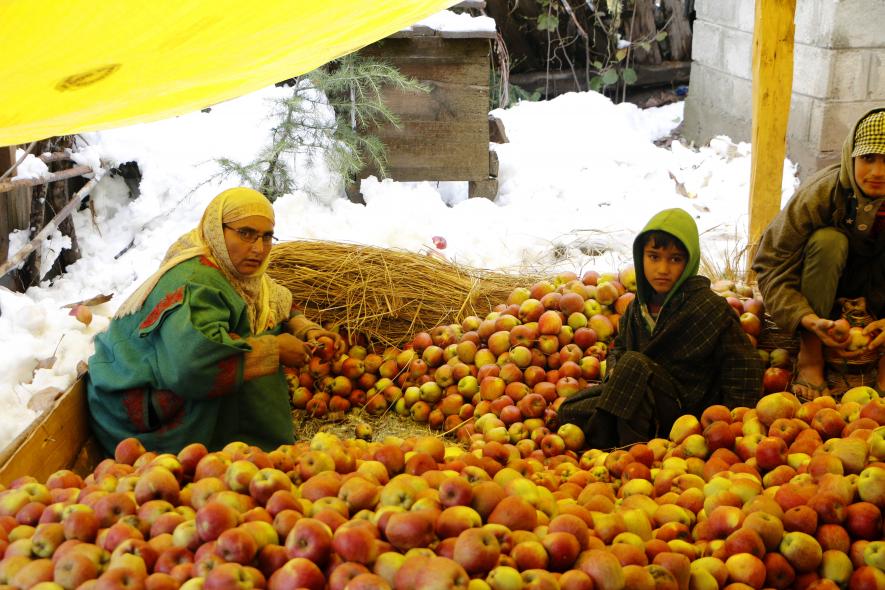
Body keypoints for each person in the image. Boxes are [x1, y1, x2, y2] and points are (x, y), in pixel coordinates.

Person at [87, 187, 341, 455]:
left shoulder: (230, 268)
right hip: (137, 411)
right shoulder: (197, 281)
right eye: (245, 233)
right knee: (246, 361)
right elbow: (194, 366)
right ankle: (248, 450)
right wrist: (274, 350)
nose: (258, 248)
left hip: (162, 375)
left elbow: (273, 302)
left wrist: (304, 327)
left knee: (263, 332)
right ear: (217, 230)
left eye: (267, 237)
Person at [558, 208, 764, 449]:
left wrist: (732, 424)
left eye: (675, 259)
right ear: (640, 257)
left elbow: (742, 366)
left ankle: (626, 449)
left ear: (689, 262)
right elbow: (620, 348)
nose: (663, 269)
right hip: (635, 396)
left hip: (682, 410)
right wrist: (615, 374)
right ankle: (612, 427)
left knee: (633, 364)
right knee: (568, 411)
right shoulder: (637, 307)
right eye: (654, 257)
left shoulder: (710, 308)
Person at [753, 108, 885, 400]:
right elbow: (771, 264)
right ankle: (811, 355)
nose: (878, 172)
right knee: (829, 241)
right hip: (823, 291)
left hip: (877, 292)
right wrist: (806, 318)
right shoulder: (821, 194)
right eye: (868, 158)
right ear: (851, 157)